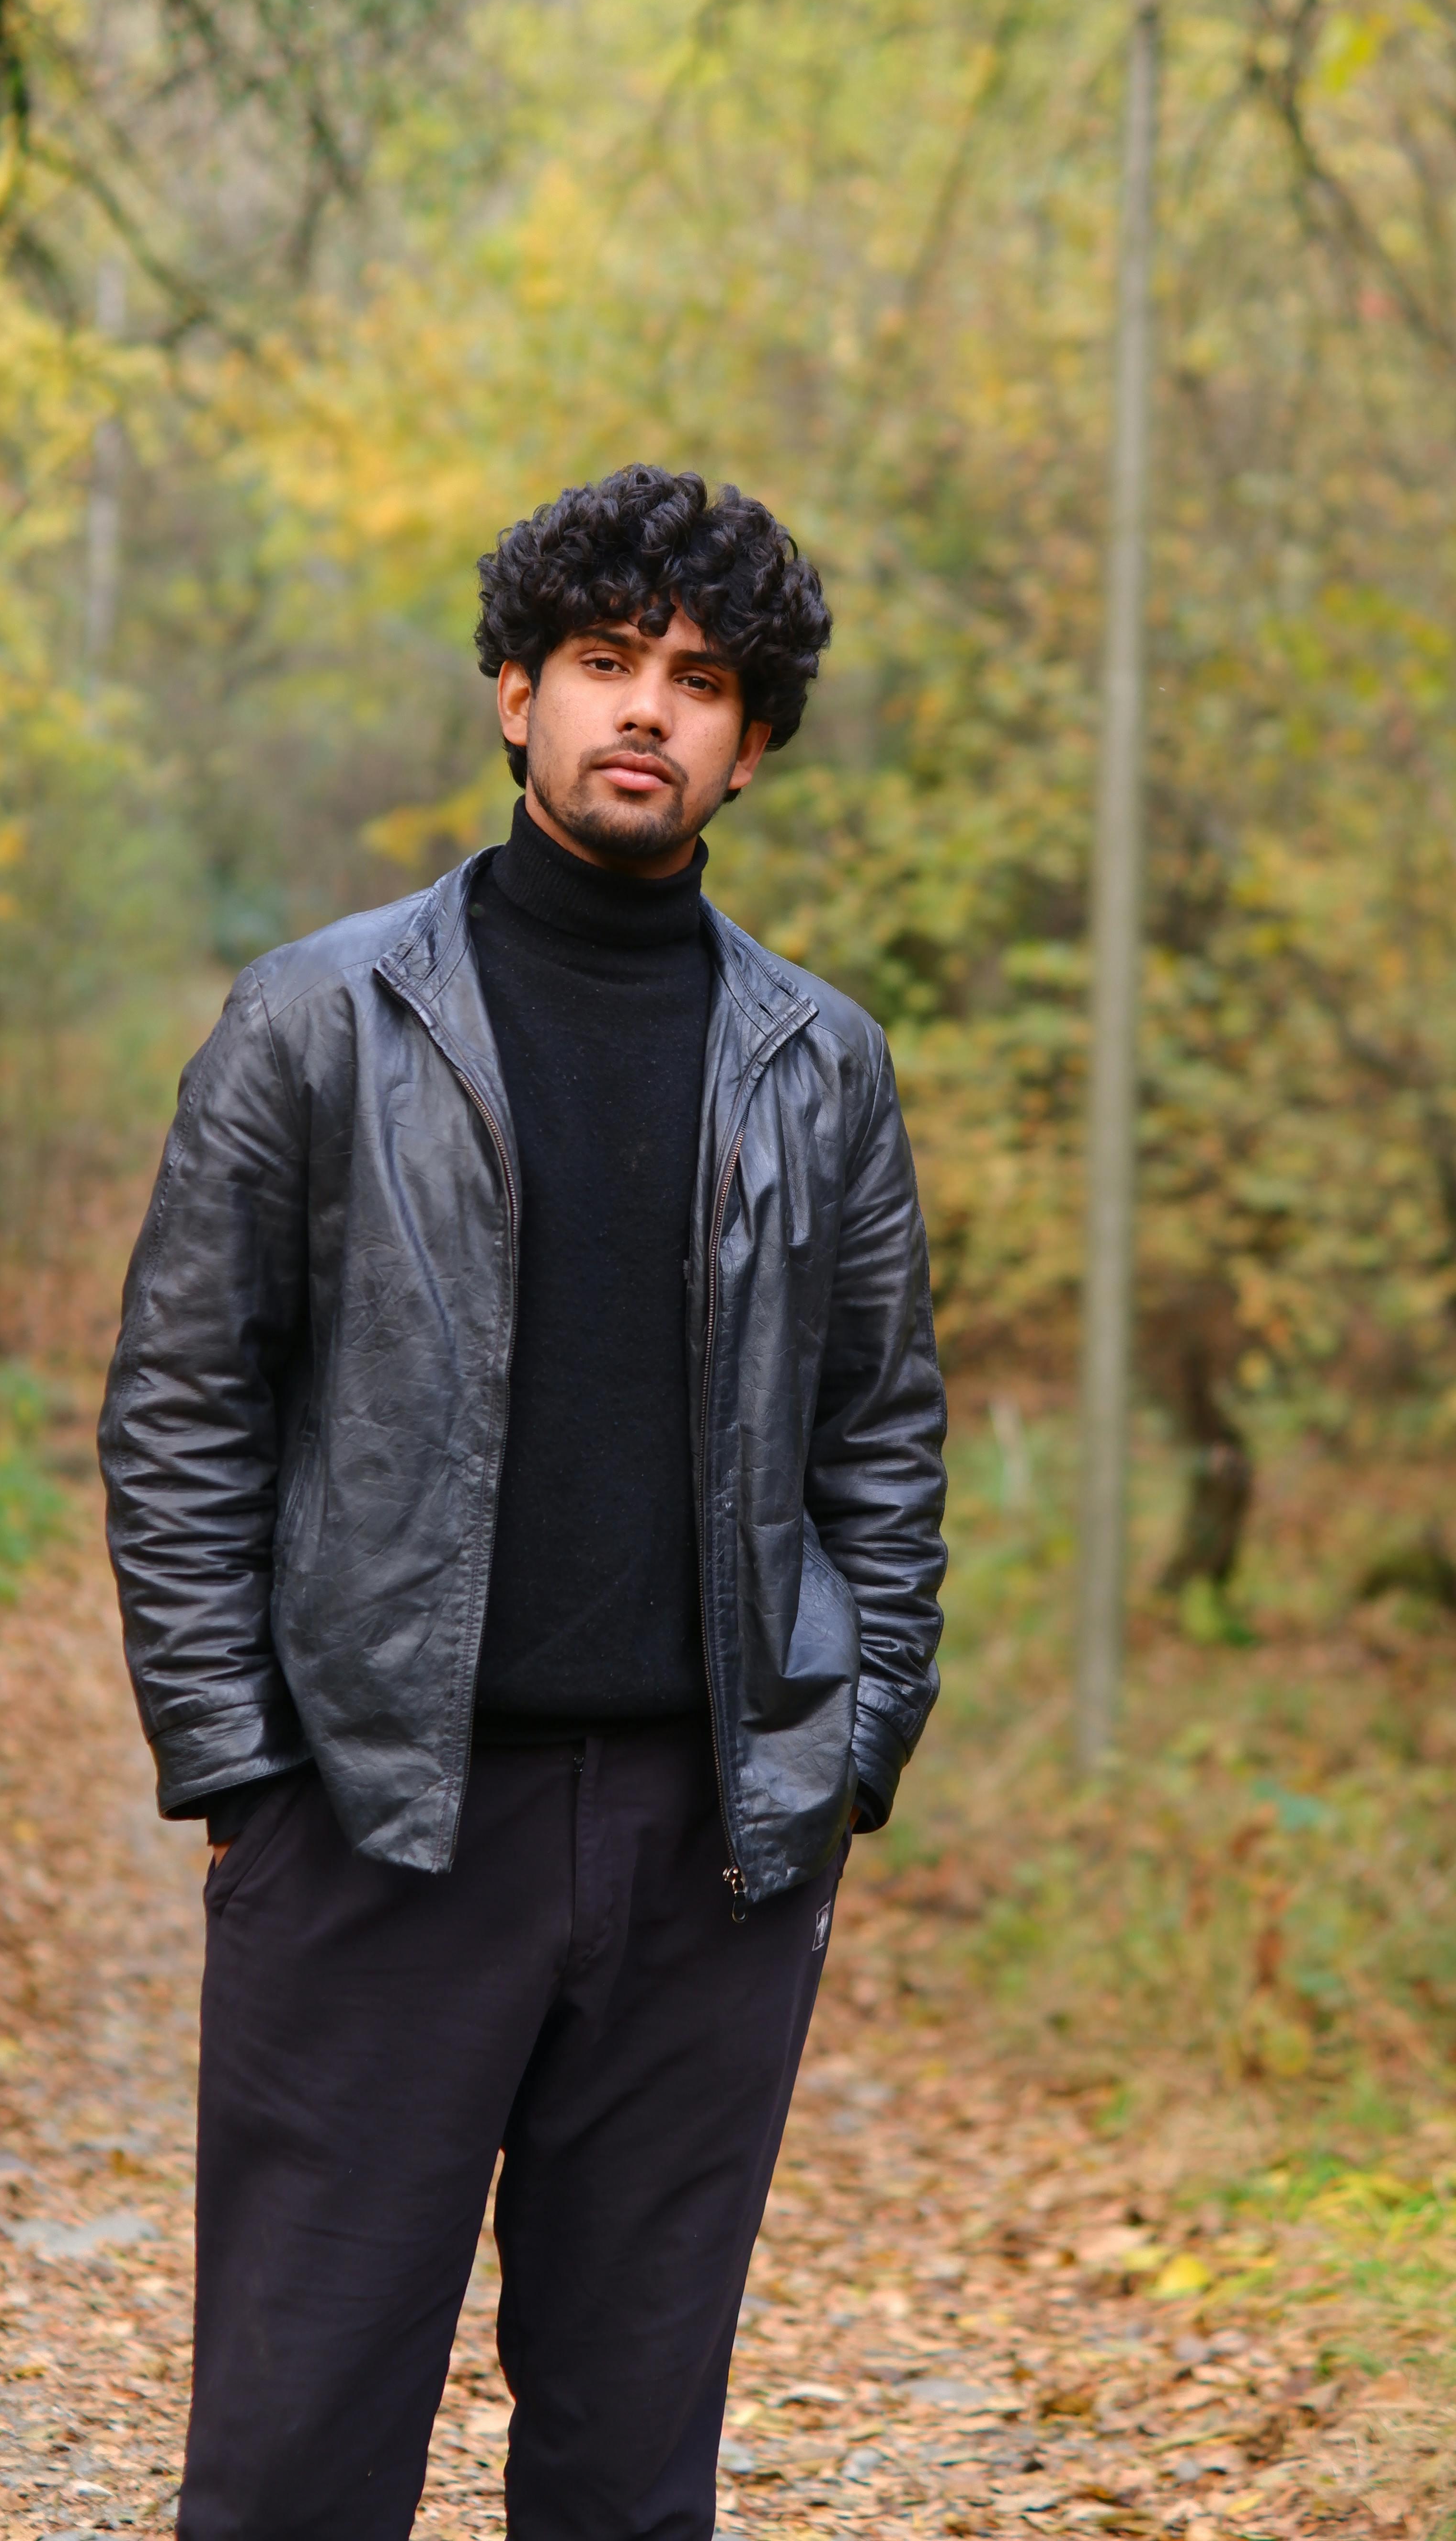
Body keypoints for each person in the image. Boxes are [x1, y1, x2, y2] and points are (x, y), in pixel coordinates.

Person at [99, 462, 947, 2541]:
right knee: (294, 2465)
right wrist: (245, 1769)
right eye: (603, 660)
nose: (646, 707)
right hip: (374, 1832)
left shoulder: (819, 1063)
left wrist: (849, 1746)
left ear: (750, 745)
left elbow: (881, 1435)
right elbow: (185, 1406)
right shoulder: (319, 1016)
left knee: (627, 2483)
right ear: (515, 694)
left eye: (700, 681)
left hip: (707, 1861)